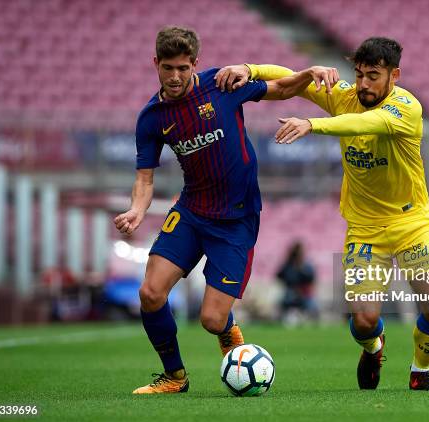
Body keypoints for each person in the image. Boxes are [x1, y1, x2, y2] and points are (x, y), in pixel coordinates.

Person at [217, 37, 429, 391]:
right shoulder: (346, 97)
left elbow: (362, 125)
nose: (364, 84)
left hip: (413, 223)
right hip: (364, 229)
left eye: (373, 75)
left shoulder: (406, 108)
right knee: (363, 321)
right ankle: (374, 349)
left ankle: (421, 372)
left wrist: (313, 125)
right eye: (359, 75)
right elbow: (292, 78)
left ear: (394, 76)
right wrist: (249, 69)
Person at [114, 26, 338, 394]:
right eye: (167, 67)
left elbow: (280, 89)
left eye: (182, 68)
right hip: (191, 211)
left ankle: (228, 332)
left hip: (236, 219)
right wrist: (137, 210)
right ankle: (174, 376)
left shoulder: (221, 85)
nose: (174, 76)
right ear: (155, 63)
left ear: (194, 65)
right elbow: (144, 178)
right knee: (151, 294)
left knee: (211, 319)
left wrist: (307, 75)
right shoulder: (151, 118)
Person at [276, 241, 319, 322]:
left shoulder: (306, 266)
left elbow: (311, 278)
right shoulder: (288, 266)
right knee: (284, 301)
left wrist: (301, 270)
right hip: (291, 293)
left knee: (313, 306)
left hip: (304, 294)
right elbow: (279, 275)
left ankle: (309, 320)